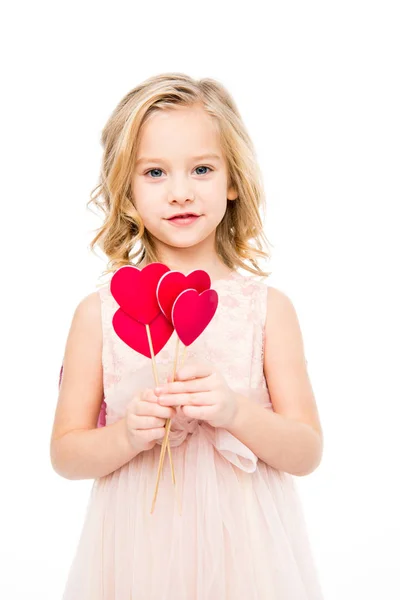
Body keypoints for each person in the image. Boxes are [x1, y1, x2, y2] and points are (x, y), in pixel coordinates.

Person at [51, 72, 324, 599]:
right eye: (154, 172)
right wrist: (128, 434)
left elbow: (306, 451)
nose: (180, 192)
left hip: (245, 554)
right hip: (138, 550)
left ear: (232, 180)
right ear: (125, 194)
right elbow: (65, 453)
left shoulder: (267, 310)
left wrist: (235, 412)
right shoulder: (97, 314)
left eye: (201, 169)